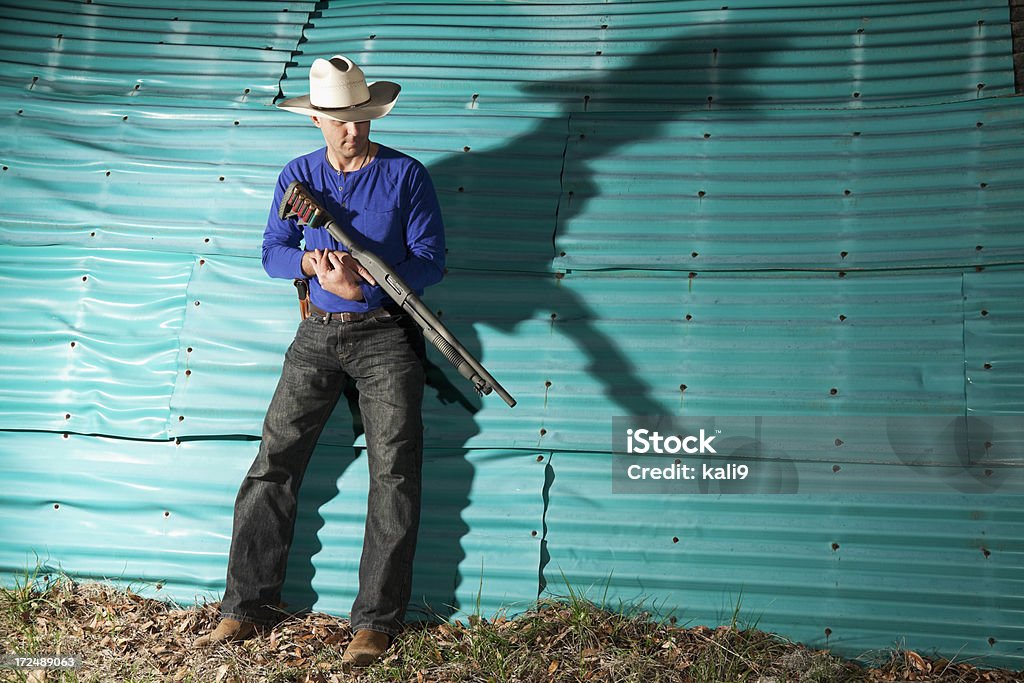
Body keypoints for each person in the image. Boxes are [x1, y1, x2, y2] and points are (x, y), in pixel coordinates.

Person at [194, 55, 446, 668]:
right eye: (339, 121)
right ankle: (244, 609)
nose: (352, 131)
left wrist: (371, 288)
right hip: (314, 335)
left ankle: (375, 624)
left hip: (387, 335)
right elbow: (273, 252)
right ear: (315, 119)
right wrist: (311, 265)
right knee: (273, 463)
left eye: (361, 119)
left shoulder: (406, 176)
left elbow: (430, 260)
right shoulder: (296, 176)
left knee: (393, 474)